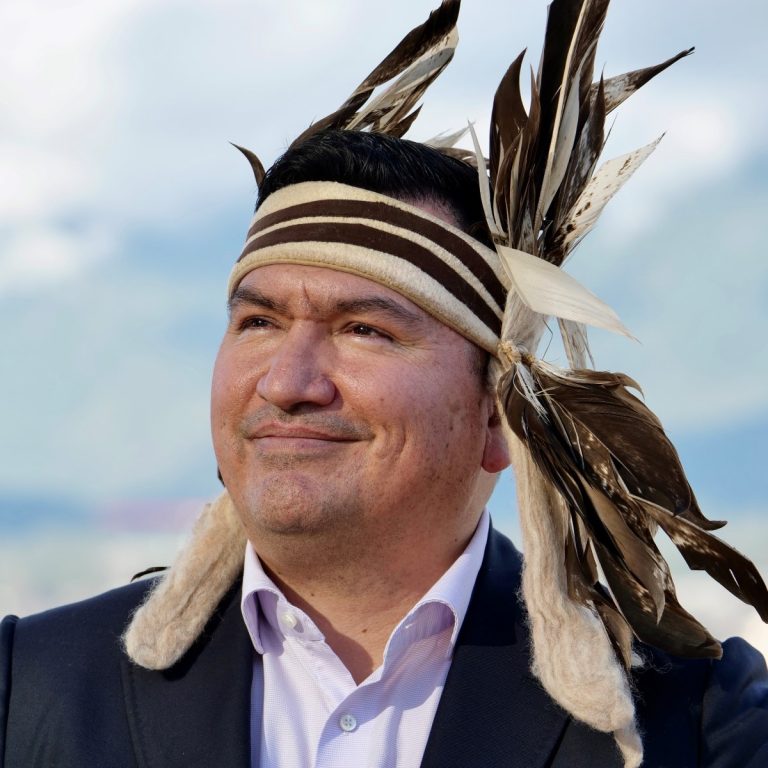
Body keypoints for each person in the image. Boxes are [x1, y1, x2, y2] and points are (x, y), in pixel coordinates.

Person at [2, 3, 768, 768]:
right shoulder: (28, 688)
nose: (287, 382)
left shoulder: (694, 724)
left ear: (500, 415)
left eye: (364, 330)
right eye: (259, 321)